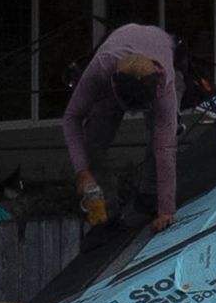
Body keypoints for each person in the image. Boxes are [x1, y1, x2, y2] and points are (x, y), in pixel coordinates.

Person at [62, 24, 181, 232]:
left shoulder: (165, 88)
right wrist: (81, 170)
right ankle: (103, 212)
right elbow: (71, 118)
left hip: (159, 55)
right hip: (116, 63)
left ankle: (150, 195)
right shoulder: (100, 68)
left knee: (161, 137)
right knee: (92, 142)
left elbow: (166, 151)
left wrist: (166, 212)